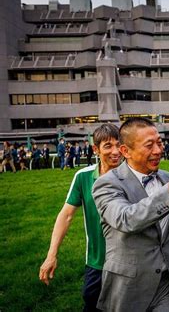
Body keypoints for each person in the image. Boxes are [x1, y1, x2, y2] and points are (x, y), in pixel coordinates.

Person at [92, 117, 169, 312]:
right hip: (128, 287)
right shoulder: (106, 184)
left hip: (168, 283)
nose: (158, 150)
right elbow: (126, 219)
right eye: (149, 145)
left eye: (159, 142)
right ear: (125, 151)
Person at [39, 124, 121, 312]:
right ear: (95, 149)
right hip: (96, 261)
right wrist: (51, 255)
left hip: (128, 262)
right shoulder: (83, 177)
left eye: (118, 145)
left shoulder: (133, 175)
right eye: (108, 146)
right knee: (92, 304)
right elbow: (66, 215)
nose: (115, 151)